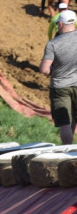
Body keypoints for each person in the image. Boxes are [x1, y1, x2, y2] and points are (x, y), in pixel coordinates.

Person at [40, 8, 77, 144]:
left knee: (64, 122)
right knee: (74, 119)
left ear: (60, 24)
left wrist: (49, 70)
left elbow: (44, 70)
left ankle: (66, 150)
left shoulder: (53, 44)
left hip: (60, 87)